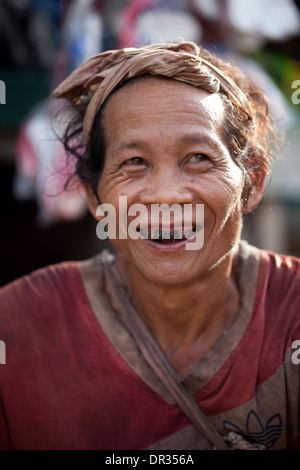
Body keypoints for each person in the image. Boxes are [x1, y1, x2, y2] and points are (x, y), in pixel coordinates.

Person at [0, 41, 299, 451]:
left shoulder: (293, 315)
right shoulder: (19, 327)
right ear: (93, 196)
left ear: (254, 181)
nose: (166, 195)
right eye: (134, 163)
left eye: (198, 157)